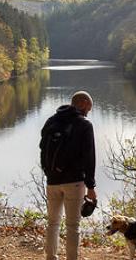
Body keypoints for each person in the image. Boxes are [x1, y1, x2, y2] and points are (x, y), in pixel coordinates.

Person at [40, 91, 97, 260]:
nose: (88, 112)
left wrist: (48, 172)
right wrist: (91, 186)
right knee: (72, 226)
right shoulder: (84, 124)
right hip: (74, 182)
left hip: (52, 180)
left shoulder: (51, 121)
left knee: (52, 223)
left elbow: (42, 148)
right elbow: (89, 158)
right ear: (83, 103)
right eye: (89, 108)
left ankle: (51, 257)